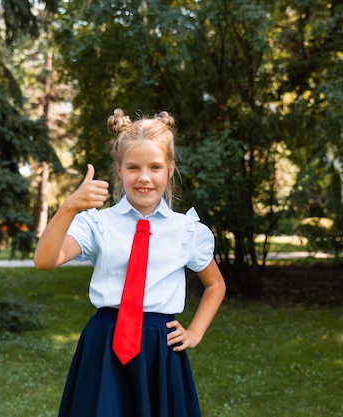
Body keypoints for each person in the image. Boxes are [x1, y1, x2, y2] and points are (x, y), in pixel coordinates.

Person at [34, 108, 226, 417]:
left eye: (155, 167)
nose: (144, 177)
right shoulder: (98, 224)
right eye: (134, 167)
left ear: (170, 169)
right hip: (105, 344)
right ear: (120, 170)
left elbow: (215, 284)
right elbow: (44, 260)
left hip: (159, 350)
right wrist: (69, 207)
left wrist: (195, 332)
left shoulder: (187, 230)